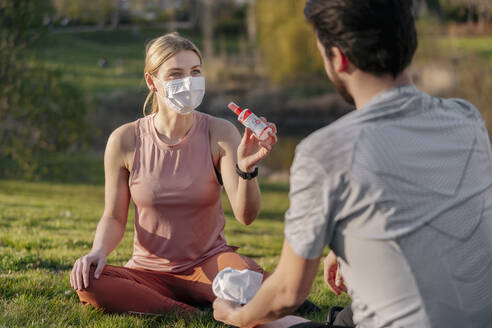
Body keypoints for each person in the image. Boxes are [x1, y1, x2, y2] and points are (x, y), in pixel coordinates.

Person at [213, 0, 492, 327]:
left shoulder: (324, 151)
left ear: (338, 58)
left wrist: (237, 315)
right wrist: (344, 242)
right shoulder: (465, 118)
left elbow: (288, 292)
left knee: (266, 321)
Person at [69, 32, 280, 315]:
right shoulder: (125, 140)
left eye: (195, 72)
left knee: (251, 284)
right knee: (89, 283)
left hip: (210, 264)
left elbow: (246, 216)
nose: (188, 82)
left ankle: (205, 301)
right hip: (149, 272)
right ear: (151, 81)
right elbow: (113, 217)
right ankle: (188, 312)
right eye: (175, 74)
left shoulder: (220, 132)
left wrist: (248, 168)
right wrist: (97, 252)